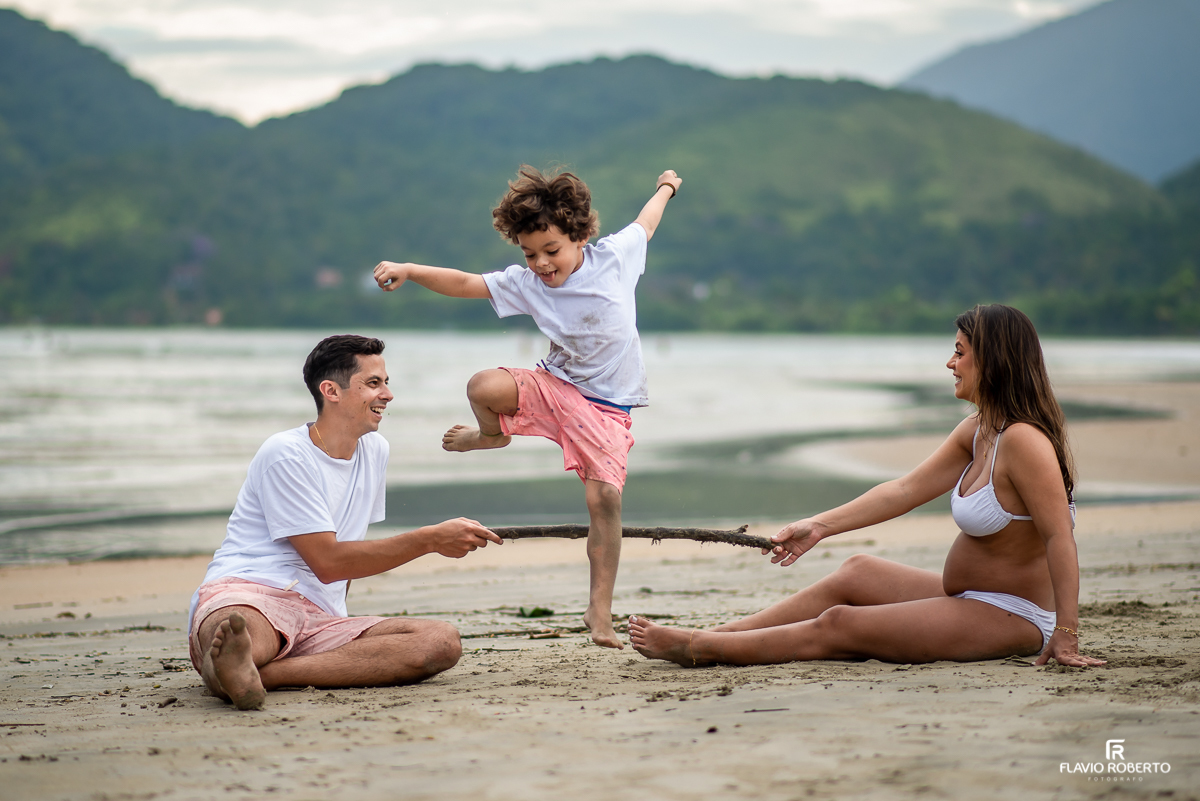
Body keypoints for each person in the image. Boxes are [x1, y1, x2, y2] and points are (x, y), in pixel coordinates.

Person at [629, 304, 1106, 669]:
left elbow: (1058, 537)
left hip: (1017, 617)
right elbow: (901, 491)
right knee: (857, 571)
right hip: (968, 600)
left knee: (842, 623)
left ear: (994, 360)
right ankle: (724, 632)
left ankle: (702, 648)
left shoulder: (1024, 441)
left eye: (960, 352)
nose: (950, 363)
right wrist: (819, 526)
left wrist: (1066, 632)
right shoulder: (979, 430)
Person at [373, 166, 682, 649]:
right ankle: (492, 433)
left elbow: (648, 220)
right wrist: (410, 271)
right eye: (529, 253)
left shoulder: (617, 258)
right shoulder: (527, 283)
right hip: (555, 384)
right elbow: (463, 284)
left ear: (580, 236)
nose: (540, 263)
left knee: (604, 501)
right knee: (483, 386)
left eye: (551, 251)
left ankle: (598, 613)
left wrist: (666, 186)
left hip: (605, 408)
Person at [188, 334, 501, 710]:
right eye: (373, 384)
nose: (387, 394)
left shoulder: (375, 450)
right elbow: (330, 562)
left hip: (320, 616)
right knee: (243, 626)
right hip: (254, 592)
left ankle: (257, 674)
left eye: (386, 383)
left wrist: (338, 619)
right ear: (330, 391)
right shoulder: (286, 453)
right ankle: (237, 658)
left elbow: (348, 551)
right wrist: (429, 540)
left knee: (440, 641)